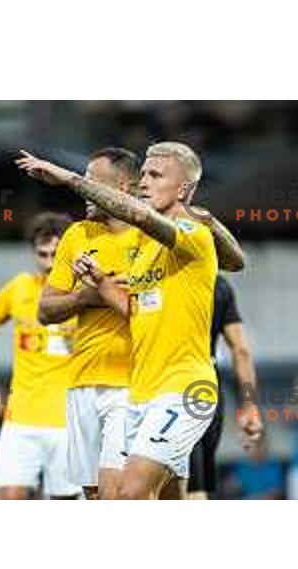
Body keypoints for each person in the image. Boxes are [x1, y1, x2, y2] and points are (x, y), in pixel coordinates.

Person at [16, 141, 261, 499]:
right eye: (143, 173)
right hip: (143, 393)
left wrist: (67, 178)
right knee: (155, 498)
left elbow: (144, 217)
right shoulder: (146, 250)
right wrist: (99, 283)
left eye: (155, 175)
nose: (144, 181)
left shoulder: (193, 235)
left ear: (184, 189)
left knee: (128, 495)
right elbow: (136, 308)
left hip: (186, 390)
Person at [39, 149, 139, 499]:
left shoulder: (149, 238)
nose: (84, 191)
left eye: (92, 182)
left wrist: (102, 288)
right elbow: (45, 310)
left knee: (115, 494)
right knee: (93, 495)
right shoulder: (77, 234)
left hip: (130, 384)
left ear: (124, 187)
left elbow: (141, 308)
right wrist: (85, 298)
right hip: (81, 381)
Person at [0, 212, 80, 499]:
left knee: (64, 502)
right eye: (43, 254)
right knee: (9, 497)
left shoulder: (84, 292)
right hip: (21, 418)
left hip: (67, 421)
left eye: (56, 253)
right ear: (34, 253)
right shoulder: (20, 287)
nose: (50, 261)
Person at [188, 274, 261, 499]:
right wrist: (250, 406)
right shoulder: (219, 284)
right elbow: (241, 351)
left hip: (169, 385)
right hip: (206, 387)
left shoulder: (160, 277)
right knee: (196, 488)